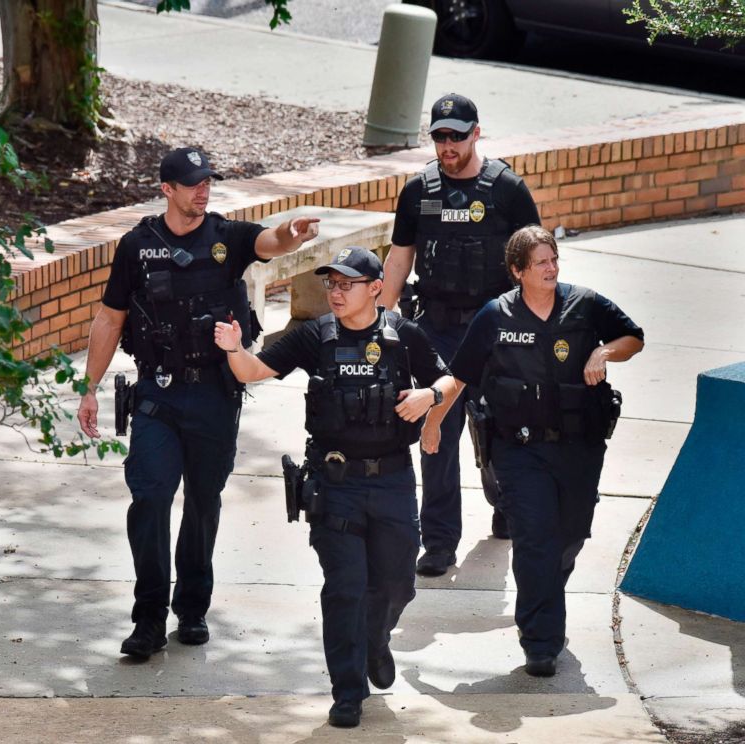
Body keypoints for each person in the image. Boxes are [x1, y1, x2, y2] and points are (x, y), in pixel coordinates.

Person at [77, 147, 320, 661]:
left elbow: (267, 241)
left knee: (204, 502)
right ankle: (148, 618)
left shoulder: (224, 237)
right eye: (192, 183)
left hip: (213, 394)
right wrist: (89, 386)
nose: (203, 190)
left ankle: (192, 609)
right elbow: (109, 319)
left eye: (208, 181)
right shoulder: (136, 246)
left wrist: (291, 234)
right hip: (158, 395)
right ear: (167, 189)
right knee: (150, 499)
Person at [213, 247, 457, 727]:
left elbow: (450, 379)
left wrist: (430, 396)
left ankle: (375, 641)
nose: (337, 292)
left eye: (347, 284)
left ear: (375, 288)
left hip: (392, 480)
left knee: (396, 584)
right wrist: (233, 348)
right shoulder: (315, 335)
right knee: (344, 588)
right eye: (331, 284)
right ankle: (348, 691)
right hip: (335, 480)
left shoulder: (404, 336)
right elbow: (253, 372)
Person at [435, 225, 644, 676]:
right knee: (533, 541)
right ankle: (541, 642)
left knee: (568, 538)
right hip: (519, 450)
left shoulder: (585, 304)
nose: (551, 269)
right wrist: (433, 420)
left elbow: (634, 337)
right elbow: (460, 375)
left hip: (579, 448)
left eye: (554, 260)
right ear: (518, 272)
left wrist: (604, 352)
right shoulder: (495, 316)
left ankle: (547, 601)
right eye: (541, 263)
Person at [381, 93, 542, 577]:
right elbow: (399, 258)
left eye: (456, 135)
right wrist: (380, 323)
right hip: (436, 328)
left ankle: (504, 503)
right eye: (439, 137)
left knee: (499, 428)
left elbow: (536, 262)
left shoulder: (508, 190)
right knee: (438, 429)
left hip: (494, 327)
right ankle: (439, 541)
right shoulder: (418, 191)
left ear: (476, 133)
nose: (447, 145)